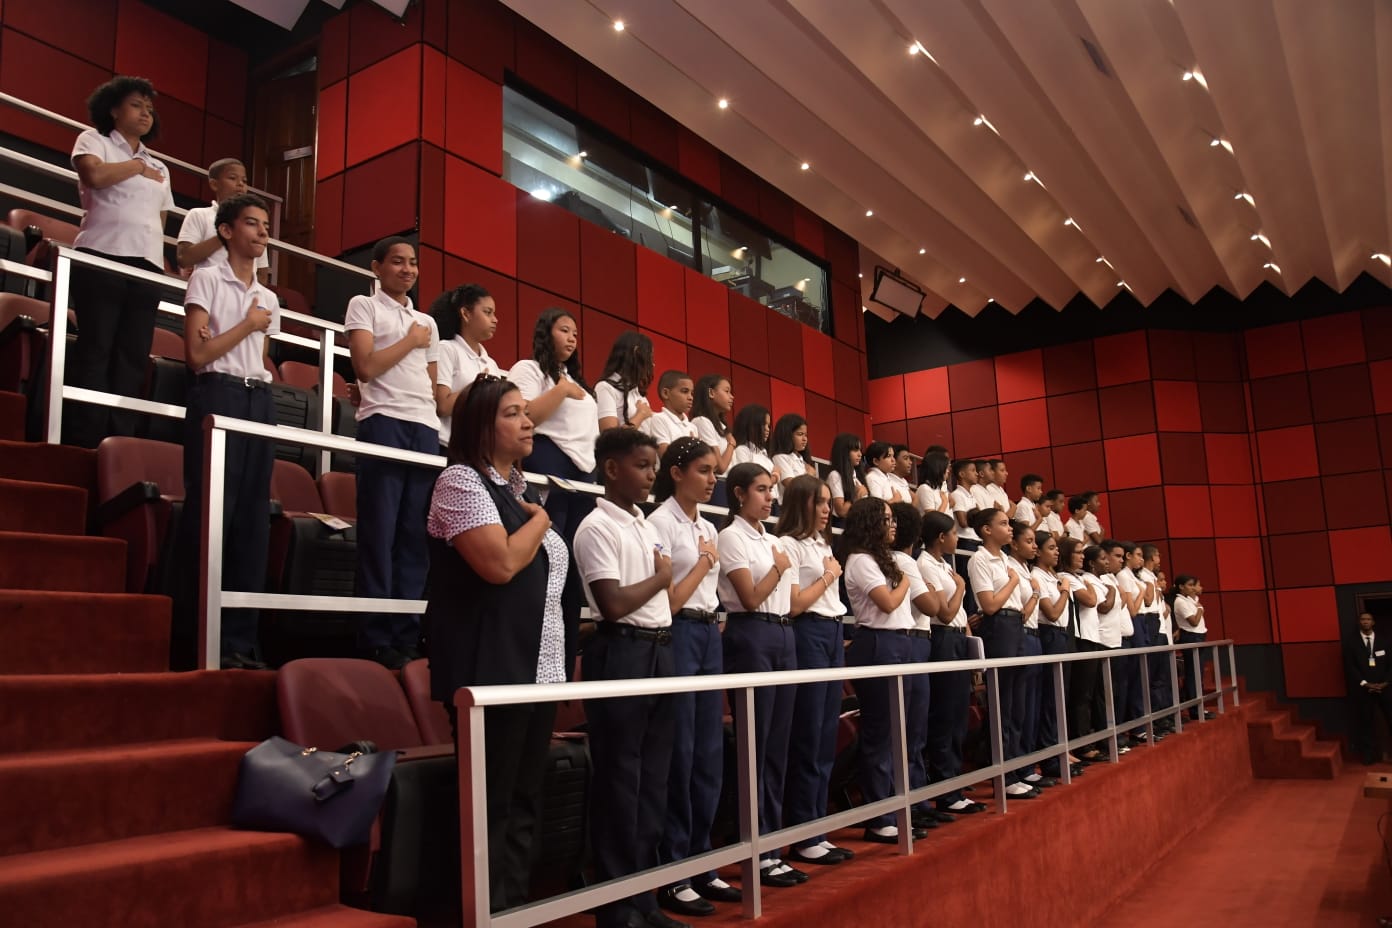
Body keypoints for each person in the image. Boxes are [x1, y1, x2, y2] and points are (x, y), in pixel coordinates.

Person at [423, 375, 565, 912]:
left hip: (537, 669)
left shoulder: (515, 491)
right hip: (490, 671)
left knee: (525, 798)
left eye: (526, 412)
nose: (528, 422)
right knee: (491, 803)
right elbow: (501, 564)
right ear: (482, 426)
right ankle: (480, 912)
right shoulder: (460, 482)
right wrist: (544, 521)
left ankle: (513, 909)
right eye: (512, 413)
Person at [572, 428, 684, 928]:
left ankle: (644, 897)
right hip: (621, 652)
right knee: (621, 779)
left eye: (653, 467)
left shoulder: (644, 524)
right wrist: (662, 578)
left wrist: (665, 586)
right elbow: (613, 605)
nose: (650, 476)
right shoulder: (596, 527)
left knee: (654, 780)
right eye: (642, 466)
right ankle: (616, 906)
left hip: (660, 649)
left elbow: (660, 602)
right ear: (612, 468)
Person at [176, 193, 278, 671]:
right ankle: (197, 638)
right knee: (214, 516)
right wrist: (247, 324)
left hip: (258, 399)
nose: (261, 233)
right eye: (252, 224)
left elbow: (256, 359)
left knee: (253, 523)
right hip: (217, 394)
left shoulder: (270, 296)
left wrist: (249, 332)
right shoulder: (206, 277)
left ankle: (239, 642)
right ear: (226, 231)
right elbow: (197, 355)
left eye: (264, 226)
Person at [649, 437, 738, 914]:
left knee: (708, 752)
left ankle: (703, 862)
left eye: (714, 472)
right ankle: (675, 866)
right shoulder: (659, 523)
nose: (711, 480)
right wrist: (705, 561)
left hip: (709, 633)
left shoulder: (707, 524)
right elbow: (666, 601)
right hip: (678, 632)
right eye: (704, 471)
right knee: (681, 753)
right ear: (677, 471)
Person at [345, 236, 440, 669]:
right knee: (380, 533)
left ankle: (405, 631)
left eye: (413, 263)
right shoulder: (363, 306)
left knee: (413, 537)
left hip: (423, 426)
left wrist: (418, 337)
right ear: (378, 267)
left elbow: (433, 385)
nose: (407, 270)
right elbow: (365, 367)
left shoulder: (426, 321)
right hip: (383, 419)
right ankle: (375, 634)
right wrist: (410, 340)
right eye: (398, 262)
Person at [67, 75, 175, 448]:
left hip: (145, 266)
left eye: (149, 108)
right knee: (97, 346)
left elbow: (160, 218)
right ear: (113, 109)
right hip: (102, 254)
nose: (145, 113)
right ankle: (86, 437)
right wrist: (134, 167)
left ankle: (120, 439)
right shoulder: (94, 140)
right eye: (136, 105)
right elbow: (94, 175)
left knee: (133, 354)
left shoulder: (158, 164)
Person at [717, 463, 803, 888]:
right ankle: (755, 847)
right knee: (757, 743)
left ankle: (773, 845)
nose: (770, 498)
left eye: (772, 490)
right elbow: (749, 597)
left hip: (783, 634)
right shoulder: (731, 536)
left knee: (778, 747)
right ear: (738, 494)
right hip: (752, 636)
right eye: (761, 490)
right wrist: (778, 568)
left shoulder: (772, 539)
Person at [841, 497, 930, 840]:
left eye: (894, 519)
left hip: (900, 642)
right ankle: (879, 817)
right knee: (881, 732)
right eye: (887, 519)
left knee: (899, 731)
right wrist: (908, 579)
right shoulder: (860, 560)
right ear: (869, 523)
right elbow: (888, 602)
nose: (893, 525)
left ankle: (896, 808)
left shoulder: (885, 559)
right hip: (879, 643)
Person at [778, 475, 854, 866]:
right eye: (819, 502)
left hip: (831, 632)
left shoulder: (822, 543)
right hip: (807, 633)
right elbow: (793, 604)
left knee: (826, 734)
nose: (827, 509)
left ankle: (817, 829)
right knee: (807, 734)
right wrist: (828, 575)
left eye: (828, 502)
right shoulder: (788, 544)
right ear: (800, 504)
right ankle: (801, 831)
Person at [968, 507, 1040, 799]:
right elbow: (989, 606)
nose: (1009, 528)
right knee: (1002, 707)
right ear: (986, 530)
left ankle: (1019, 768)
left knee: (1017, 707)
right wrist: (1012, 582)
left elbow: (1021, 607)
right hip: (998, 629)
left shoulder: (1006, 561)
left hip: (1016, 627)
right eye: (1002, 524)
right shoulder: (979, 559)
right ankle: (1004, 775)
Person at [918, 511, 985, 815]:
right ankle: (946, 788)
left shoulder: (945, 565)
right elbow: (945, 613)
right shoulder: (924, 565)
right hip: (941, 638)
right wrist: (960, 588)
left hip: (958, 638)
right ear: (941, 537)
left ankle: (954, 780)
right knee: (945, 715)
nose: (958, 538)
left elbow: (958, 617)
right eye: (954, 533)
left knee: (959, 714)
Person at [889, 502, 951, 829]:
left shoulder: (908, 561)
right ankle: (911, 799)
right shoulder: (905, 561)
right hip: (911, 639)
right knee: (910, 729)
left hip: (917, 639)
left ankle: (918, 796)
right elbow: (935, 605)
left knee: (916, 729)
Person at [430, 284, 502, 453]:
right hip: (448, 446)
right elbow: (442, 406)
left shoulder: (491, 364)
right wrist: (476, 386)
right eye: (487, 312)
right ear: (466, 314)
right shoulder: (447, 349)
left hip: (479, 451)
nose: (495, 319)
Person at [175, 157, 270, 283]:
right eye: (232, 178)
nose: (240, 184)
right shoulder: (199, 215)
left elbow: (262, 272)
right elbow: (184, 258)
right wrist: (225, 235)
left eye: (244, 180)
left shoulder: (255, 223)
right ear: (214, 184)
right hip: (209, 289)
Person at [1006, 522, 1050, 789]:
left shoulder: (1026, 569)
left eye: (1035, 542)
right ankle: (1015, 767)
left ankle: (1027, 763)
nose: (1034, 546)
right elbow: (1020, 612)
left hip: (1035, 637)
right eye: (1029, 541)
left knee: (1032, 707)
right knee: (1017, 709)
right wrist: (1035, 592)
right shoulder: (1011, 568)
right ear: (1015, 544)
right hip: (1020, 635)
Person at [1031, 531, 1075, 780]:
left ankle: (1061, 748)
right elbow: (1053, 612)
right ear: (1038, 552)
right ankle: (1049, 757)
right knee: (1049, 698)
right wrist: (1065, 591)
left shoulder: (1054, 576)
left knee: (1060, 697)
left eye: (1057, 548)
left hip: (1061, 636)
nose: (1057, 552)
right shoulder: (1037, 575)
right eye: (1051, 548)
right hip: (1048, 634)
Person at [1071, 544, 1111, 761]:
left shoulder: (1079, 579)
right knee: (1082, 696)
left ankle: (1091, 738)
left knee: (1089, 694)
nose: (1081, 557)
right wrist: (1108, 590)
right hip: (1082, 639)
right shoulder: (1074, 577)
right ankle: (1083, 744)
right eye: (1077, 553)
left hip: (1092, 637)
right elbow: (1092, 600)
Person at [1347, 612, 1392, 765]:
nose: (1365, 622)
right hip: (1363, 690)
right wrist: (1365, 684)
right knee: (1366, 723)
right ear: (1359, 622)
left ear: (1373, 622)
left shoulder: (1384, 641)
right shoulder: (1351, 643)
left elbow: (1390, 665)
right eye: (1362, 619)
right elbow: (1350, 667)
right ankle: (1369, 755)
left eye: (1368, 619)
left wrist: (1385, 683)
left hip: (1384, 689)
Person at [595, 331, 655, 432]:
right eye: (650, 357)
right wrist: (641, 415)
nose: (653, 364)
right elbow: (609, 437)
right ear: (637, 353)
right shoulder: (605, 388)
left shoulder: (639, 395)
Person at [1172, 574, 1209, 721]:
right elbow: (1193, 621)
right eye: (1190, 585)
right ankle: (1195, 710)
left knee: (1198, 673)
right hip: (1191, 637)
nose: (1193, 588)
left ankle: (1199, 706)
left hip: (1199, 636)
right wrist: (1200, 610)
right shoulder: (1180, 601)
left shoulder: (1191, 600)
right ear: (1181, 587)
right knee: (1193, 674)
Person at [644, 370, 699, 457]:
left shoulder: (693, 427)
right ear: (665, 393)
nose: (690, 397)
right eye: (684, 391)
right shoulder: (659, 419)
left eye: (692, 393)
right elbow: (666, 456)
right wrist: (691, 448)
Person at [731, 405, 779, 503]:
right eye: (763, 425)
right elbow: (751, 481)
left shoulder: (764, 454)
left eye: (768, 426)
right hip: (756, 503)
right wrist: (775, 476)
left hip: (773, 502)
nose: (767, 429)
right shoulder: (742, 450)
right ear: (750, 426)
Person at [691, 374, 736, 474]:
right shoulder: (702, 421)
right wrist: (731, 444)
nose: (732, 397)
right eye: (727, 391)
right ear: (711, 393)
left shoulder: (721, 427)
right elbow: (720, 467)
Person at [769, 414, 817, 492]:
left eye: (806, 435)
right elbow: (791, 485)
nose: (805, 439)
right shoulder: (781, 457)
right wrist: (809, 475)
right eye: (800, 434)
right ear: (787, 435)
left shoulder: (803, 460)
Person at [826, 432, 867, 519]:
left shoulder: (858, 478)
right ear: (843, 452)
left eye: (860, 450)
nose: (860, 454)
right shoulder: (835, 476)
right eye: (855, 450)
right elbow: (841, 511)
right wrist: (856, 496)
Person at [914, 450, 951, 516]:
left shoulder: (939, 488)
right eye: (945, 468)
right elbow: (933, 518)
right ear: (937, 468)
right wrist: (944, 502)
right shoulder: (924, 488)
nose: (948, 471)